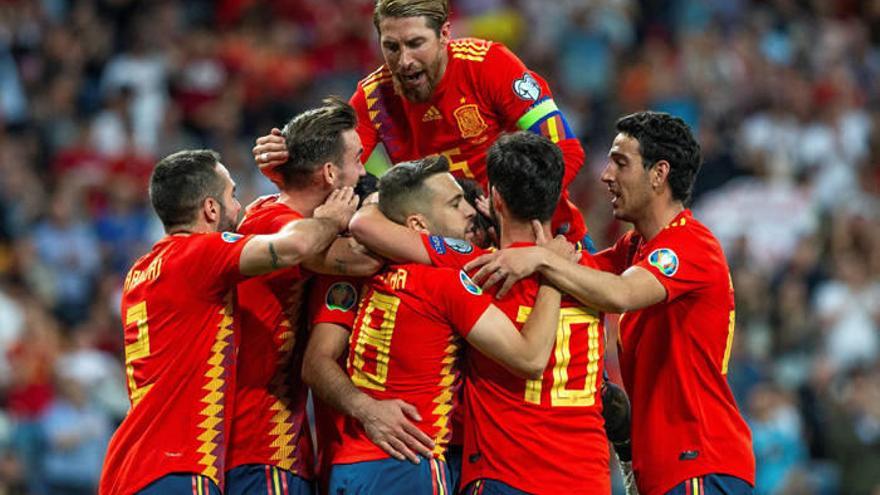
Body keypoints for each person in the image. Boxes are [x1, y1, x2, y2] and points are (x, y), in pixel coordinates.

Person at [465, 112, 756, 495]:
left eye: (621, 163)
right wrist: (504, 226)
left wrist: (541, 258)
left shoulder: (691, 244)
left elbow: (619, 293)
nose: (606, 175)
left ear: (659, 173)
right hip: (665, 469)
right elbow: (576, 267)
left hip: (700, 460)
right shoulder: (635, 249)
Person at [349, 132, 610, 494]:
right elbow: (627, 292)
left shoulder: (478, 268)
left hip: (507, 475)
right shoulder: (596, 273)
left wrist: (377, 196)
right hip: (588, 478)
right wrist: (551, 262)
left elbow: (365, 226)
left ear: (495, 199)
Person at [98, 149, 358, 495]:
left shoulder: (140, 271)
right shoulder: (198, 254)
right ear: (210, 208)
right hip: (178, 467)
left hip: (126, 470)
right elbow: (294, 246)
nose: (239, 209)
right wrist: (331, 220)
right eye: (232, 195)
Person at [252, 0, 592, 248]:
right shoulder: (374, 97)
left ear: (444, 34)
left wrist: (508, 213)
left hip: (545, 237)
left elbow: (567, 150)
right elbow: (330, 173)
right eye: (391, 47)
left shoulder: (490, 65)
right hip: (451, 253)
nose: (404, 61)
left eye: (415, 44)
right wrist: (286, 165)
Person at [225, 98, 382, 495]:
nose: (363, 172)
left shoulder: (265, 210)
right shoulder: (280, 226)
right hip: (262, 444)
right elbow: (364, 259)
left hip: (269, 443)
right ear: (329, 173)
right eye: (358, 160)